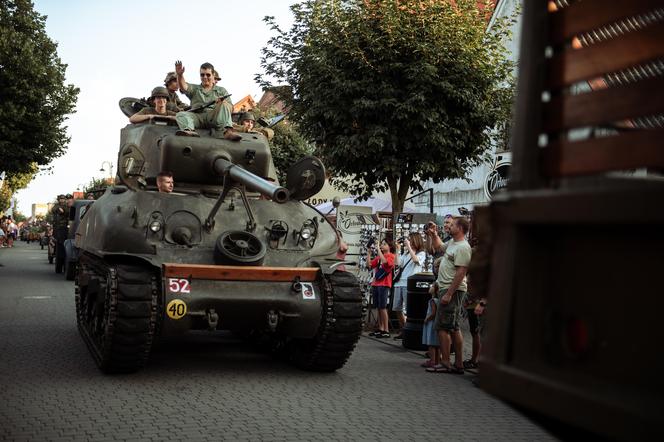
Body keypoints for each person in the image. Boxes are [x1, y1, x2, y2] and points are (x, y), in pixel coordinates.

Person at [427, 216, 472, 374]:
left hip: (452, 290)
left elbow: (461, 272)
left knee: (442, 327)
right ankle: (458, 364)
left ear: (459, 228)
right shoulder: (453, 243)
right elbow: (439, 247)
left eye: (452, 225)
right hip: (447, 288)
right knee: (453, 327)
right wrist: (433, 234)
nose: (449, 227)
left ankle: (446, 362)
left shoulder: (463, 247)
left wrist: (449, 293)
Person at [173, 61, 241, 141]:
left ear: (213, 75)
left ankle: (228, 132)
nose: (205, 77)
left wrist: (220, 103)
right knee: (181, 114)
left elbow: (230, 108)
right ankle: (188, 131)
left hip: (214, 117)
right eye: (202, 75)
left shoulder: (221, 91)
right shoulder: (195, 89)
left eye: (208, 75)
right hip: (197, 117)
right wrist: (180, 75)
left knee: (225, 104)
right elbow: (184, 87)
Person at [392, 232, 426, 339]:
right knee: (397, 308)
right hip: (399, 283)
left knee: (407, 310)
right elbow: (397, 263)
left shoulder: (421, 253)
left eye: (411, 240)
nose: (409, 242)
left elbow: (416, 261)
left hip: (409, 284)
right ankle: (404, 330)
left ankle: (408, 331)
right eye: (408, 240)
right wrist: (397, 250)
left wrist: (409, 247)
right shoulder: (406, 254)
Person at [367, 236, 396, 338]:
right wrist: (369, 253)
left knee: (383, 307)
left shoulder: (391, 256)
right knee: (378, 307)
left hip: (384, 284)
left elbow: (385, 263)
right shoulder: (379, 257)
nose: (382, 246)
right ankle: (380, 328)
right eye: (382, 244)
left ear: (390, 246)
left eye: (384, 244)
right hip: (376, 283)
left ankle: (386, 330)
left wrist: (378, 249)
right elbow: (369, 265)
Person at [422, 257, 442, 368]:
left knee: (431, 343)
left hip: (431, 325)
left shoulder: (432, 300)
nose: (430, 287)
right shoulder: (438, 300)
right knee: (437, 344)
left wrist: (426, 319)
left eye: (432, 286)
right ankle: (438, 360)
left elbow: (433, 313)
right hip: (436, 324)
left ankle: (432, 360)